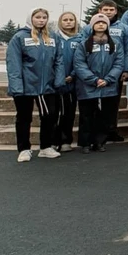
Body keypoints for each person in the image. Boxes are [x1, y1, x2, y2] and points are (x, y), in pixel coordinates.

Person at [8, 8, 64, 162]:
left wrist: (59, 80)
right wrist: (17, 87)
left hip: (47, 86)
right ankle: (24, 149)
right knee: (24, 118)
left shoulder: (52, 37)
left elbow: (59, 60)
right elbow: (14, 64)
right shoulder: (19, 37)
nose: (41, 20)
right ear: (31, 18)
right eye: (38, 17)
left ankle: (45, 147)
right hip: (26, 86)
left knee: (50, 116)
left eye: (44, 17)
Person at [73, 13, 124, 153]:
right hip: (88, 86)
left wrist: (108, 79)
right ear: (92, 25)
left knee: (105, 116)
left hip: (108, 86)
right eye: (97, 23)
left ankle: (100, 142)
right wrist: (94, 80)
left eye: (103, 23)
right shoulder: (84, 44)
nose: (100, 25)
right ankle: (85, 143)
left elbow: (119, 64)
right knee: (87, 115)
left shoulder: (115, 44)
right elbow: (79, 65)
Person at [84, 0, 128, 142]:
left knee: (112, 104)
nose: (108, 12)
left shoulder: (124, 28)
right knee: (93, 105)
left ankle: (111, 130)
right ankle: (95, 132)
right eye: (105, 10)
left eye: (111, 10)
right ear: (100, 11)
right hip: (93, 73)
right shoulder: (88, 28)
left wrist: (126, 69)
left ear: (116, 11)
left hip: (115, 73)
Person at [55, 11, 82, 152]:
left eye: (71, 19)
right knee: (53, 113)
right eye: (65, 19)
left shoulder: (79, 39)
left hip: (72, 82)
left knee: (69, 113)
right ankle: (53, 140)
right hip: (54, 82)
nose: (68, 22)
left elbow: (81, 60)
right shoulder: (53, 38)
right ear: (60, 22)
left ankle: (66, 140)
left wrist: (72, 75)